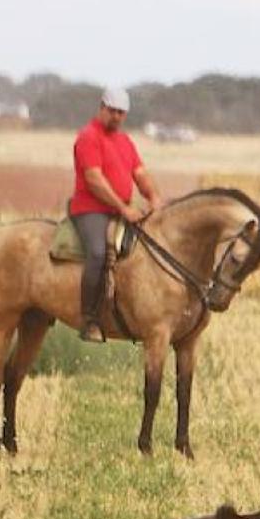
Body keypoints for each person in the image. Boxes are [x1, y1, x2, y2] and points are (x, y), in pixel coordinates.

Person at [70, 87, 164, 342]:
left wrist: (153, 198)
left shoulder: (125, 141)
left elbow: (140, 173)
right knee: (99, 253)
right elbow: (94, 180)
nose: (116, 117)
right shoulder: (88, 137)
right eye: (112, 111)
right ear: (101, 108)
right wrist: (124, 209)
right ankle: (89, 319)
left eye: (121, 113)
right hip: (91, 210)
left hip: (122, 211)